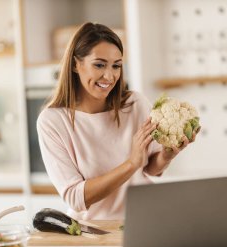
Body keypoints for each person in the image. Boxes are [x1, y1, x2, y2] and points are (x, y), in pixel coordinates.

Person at [37, 22, 199, 220]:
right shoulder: (53, 121)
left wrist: (166, 156)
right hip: (94, 234)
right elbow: (75, 197)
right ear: (75, 64)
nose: (109, 75)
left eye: (116, 66)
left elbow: (149, 168)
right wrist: (131, 163)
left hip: (143, 222)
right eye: (99, 65)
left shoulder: (135, 103)